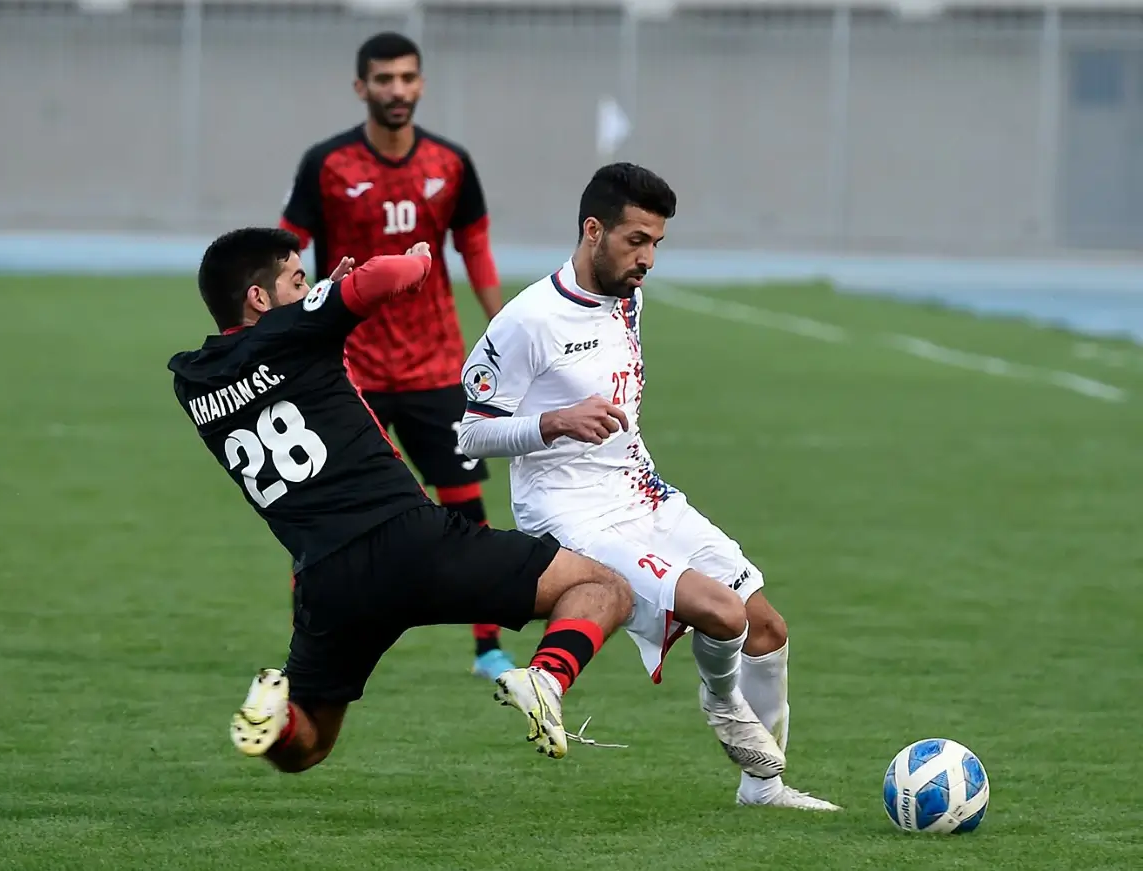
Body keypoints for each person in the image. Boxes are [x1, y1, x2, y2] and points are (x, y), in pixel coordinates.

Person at [167, 227, 632, 770]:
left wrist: (317, 310)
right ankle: (547, 679)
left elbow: (275, 361)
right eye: (297, 280)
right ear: (257, 297)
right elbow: (386, 278)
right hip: (410, 542)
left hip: (326, 577)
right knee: (603, 587)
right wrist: (415, 261)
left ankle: (277, 715)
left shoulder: (193, 380)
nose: (308, 286)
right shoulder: (297, 330)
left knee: (307, 746)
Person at [455, 164, 843, 810]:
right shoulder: (527, 321)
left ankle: (763, 788)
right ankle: (722, 706)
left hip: (645, 495)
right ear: (592, 230)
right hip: (573, 516)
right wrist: (555, 422)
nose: (648, 259)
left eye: (657, 243)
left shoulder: (629, 295)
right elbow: (469, 434)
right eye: (637, 240)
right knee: (724, 614)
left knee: (767, 628)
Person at [278, 31, 514, 681]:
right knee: (327, 510)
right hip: (346, 368)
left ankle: (489, 646)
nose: (397, 89)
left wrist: (503, 327)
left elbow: (475, 247)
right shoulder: (326, 164)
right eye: (383, 79)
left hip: (436, 364)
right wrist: (276, 327)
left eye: (407, 77)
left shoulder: (452, 163)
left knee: (464, 504)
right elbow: (286, 250)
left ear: (421, 84)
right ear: (362, 88)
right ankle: (309, 644)